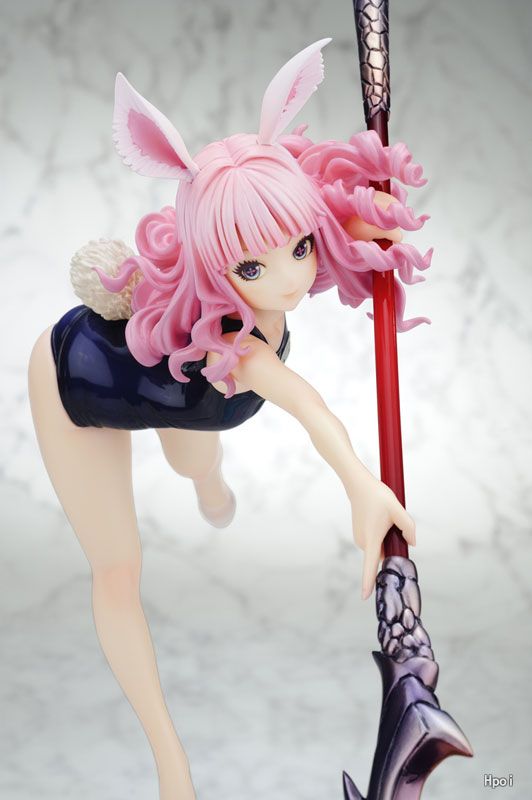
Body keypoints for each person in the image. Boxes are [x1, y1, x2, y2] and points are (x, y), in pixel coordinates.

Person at [28, 39, 430, 800]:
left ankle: (204, 479)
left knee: (192, 455)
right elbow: (307, 405)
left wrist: (376, 224)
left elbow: (328, 230)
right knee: (118, 569)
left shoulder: (273, 262)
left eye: (301, 247)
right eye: (252, 267)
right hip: (80, 380)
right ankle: (171, 766)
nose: (290, 279)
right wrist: (360, 484)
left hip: (181, 390)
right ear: (218, 265)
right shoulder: (237, 348)